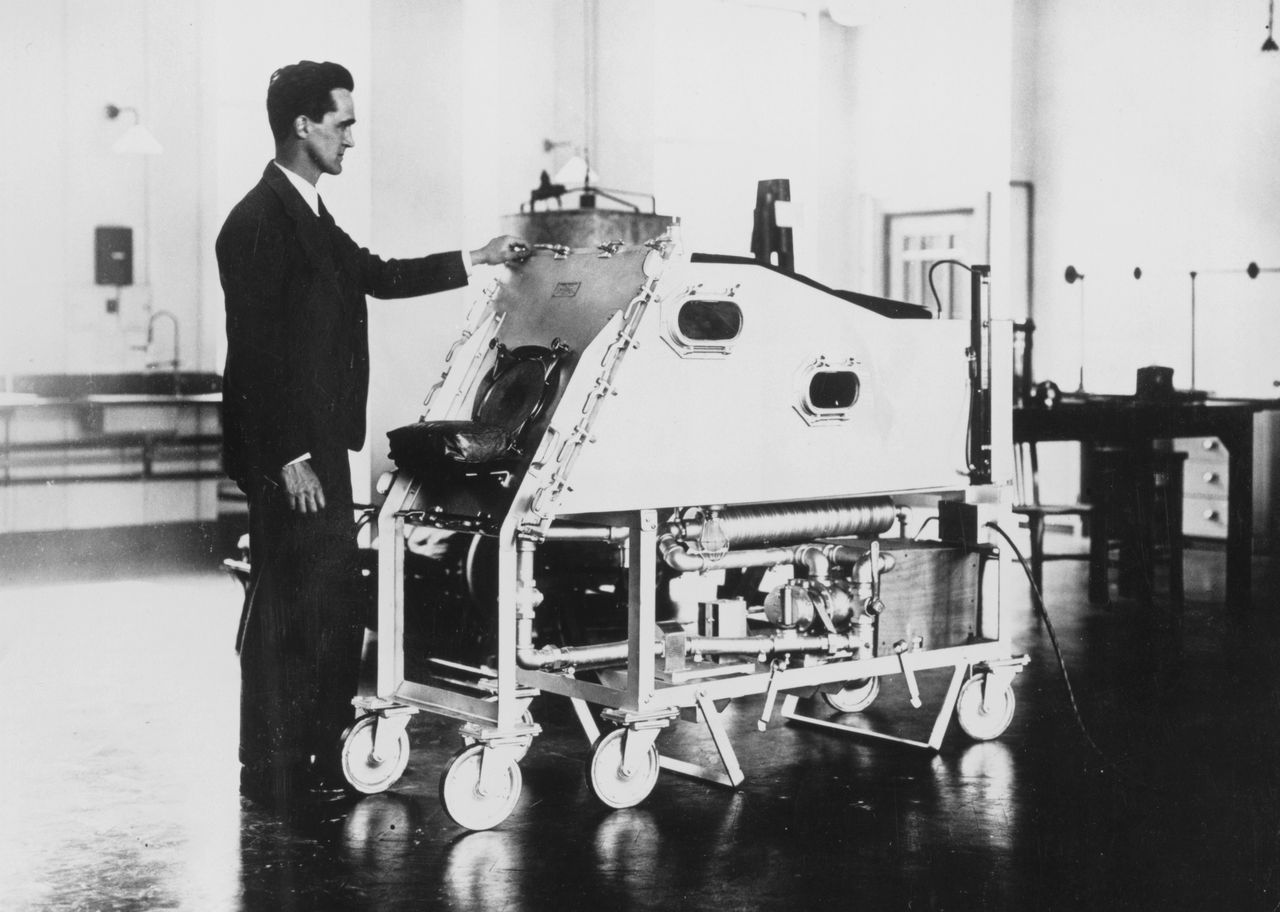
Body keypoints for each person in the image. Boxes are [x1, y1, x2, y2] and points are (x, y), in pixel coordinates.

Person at [216, 60, 529, 816]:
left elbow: (377, 275)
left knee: (314, 603)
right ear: (304, 125)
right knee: (297, 607)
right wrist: (290, 456)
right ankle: (280, 765)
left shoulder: (310, 216)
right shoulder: (258, 220)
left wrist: (477, 260)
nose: (353, 137)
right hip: (290, 454)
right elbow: (254, 352)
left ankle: (298, 757)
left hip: (319, 446)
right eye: (343, 122)